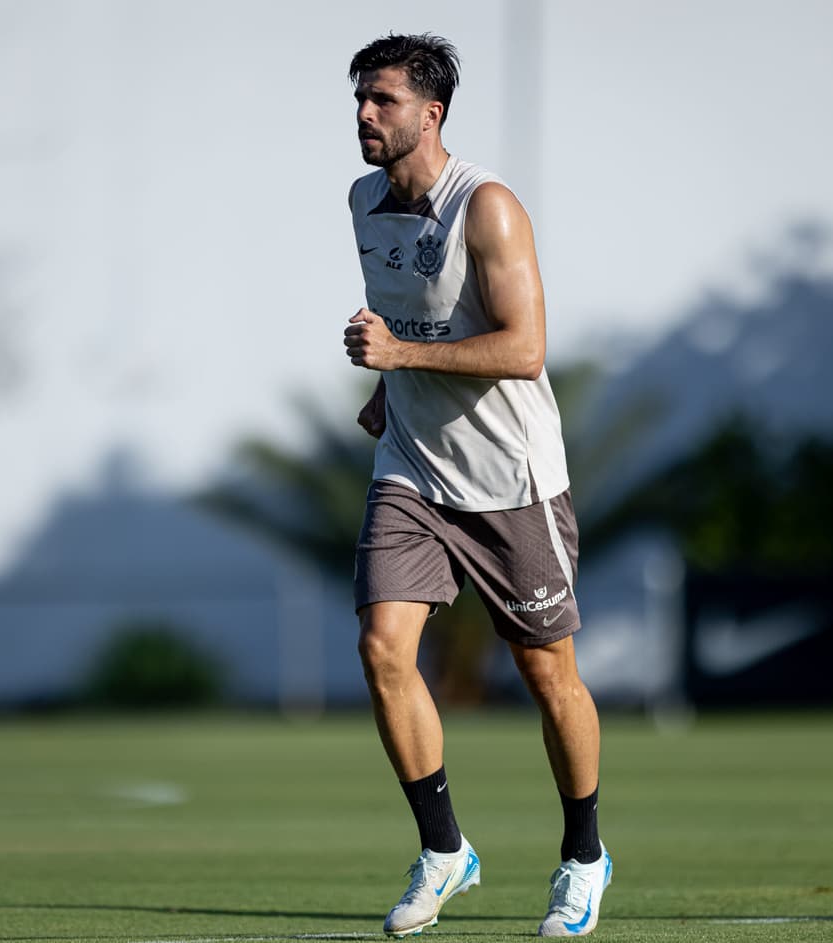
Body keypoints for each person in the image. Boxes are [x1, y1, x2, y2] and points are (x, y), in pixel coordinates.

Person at [343, 33, 612, 939]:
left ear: (432, 112)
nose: (365, 114)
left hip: (511, 480)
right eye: (360, 99)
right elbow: (418, 313)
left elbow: (523, 348)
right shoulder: (361, 201)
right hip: (413, 469)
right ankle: (445, 850)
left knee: (548, 676)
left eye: (382, 99)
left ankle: (584, 857)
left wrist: (399, 355)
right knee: (384, 648)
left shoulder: (487, 207)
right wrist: (393, 388)